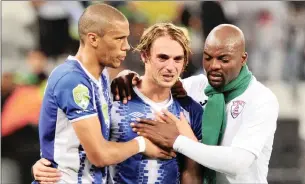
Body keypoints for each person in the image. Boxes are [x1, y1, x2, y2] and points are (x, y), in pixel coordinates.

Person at [32, 22, 203, 184]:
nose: (170, 67)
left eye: (177, 59)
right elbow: (78, 146)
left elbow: (191, 173)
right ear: (144, 55)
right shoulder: (114, 97)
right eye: (163, 58)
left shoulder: (191, 111)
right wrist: (48, 165)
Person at [115, 24, 279, 184]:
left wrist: (178, 140)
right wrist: (126, 77)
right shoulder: (197, 86)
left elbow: (238, 163)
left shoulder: (261, 99)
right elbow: (158, 81)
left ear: (243, 59)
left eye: (223, 59)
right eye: (208, 57)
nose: (213, 66)